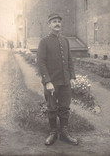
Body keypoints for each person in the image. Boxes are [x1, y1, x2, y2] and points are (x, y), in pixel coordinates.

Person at [37, 13, 78, 146]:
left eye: (59, 21)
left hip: (65, 81)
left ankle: (64, 133)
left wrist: (72, 77)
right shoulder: (44, 41)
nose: (57, 24)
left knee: (65, 107)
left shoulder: (65, 40)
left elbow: (69, 60)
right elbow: (41, 63)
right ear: (49, 24)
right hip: (52, 83)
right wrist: (47, 81)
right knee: (52, 108)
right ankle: (53, 133)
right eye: (54, 21)